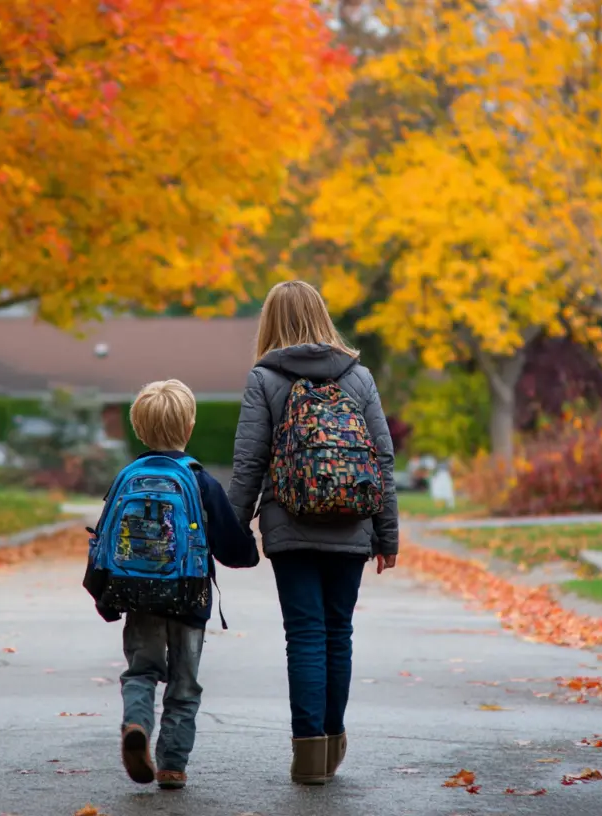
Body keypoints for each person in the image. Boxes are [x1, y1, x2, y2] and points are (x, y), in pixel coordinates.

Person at [227, 280, 399, 786]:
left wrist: (231, 532)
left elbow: (249, 464)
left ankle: (308, 756)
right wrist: (386, 536)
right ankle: (333, 739)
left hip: (291, 525)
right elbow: (382, 460)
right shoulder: (359, 377)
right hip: (353, 523)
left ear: (271, 322)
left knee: (303, 634)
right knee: (337, 634)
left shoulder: (265, 377)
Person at [82, 379, 260, 790]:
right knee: (184, 684)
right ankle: (172, 765)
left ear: (138, 427)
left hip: (137, 595)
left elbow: (106, 540)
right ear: (191, 425)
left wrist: (106, 598)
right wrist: (249, 550)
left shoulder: (126, 476)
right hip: (188, 597)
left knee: (141, 671)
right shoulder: (199, 479)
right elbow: (233, 548)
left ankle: (137, 725)